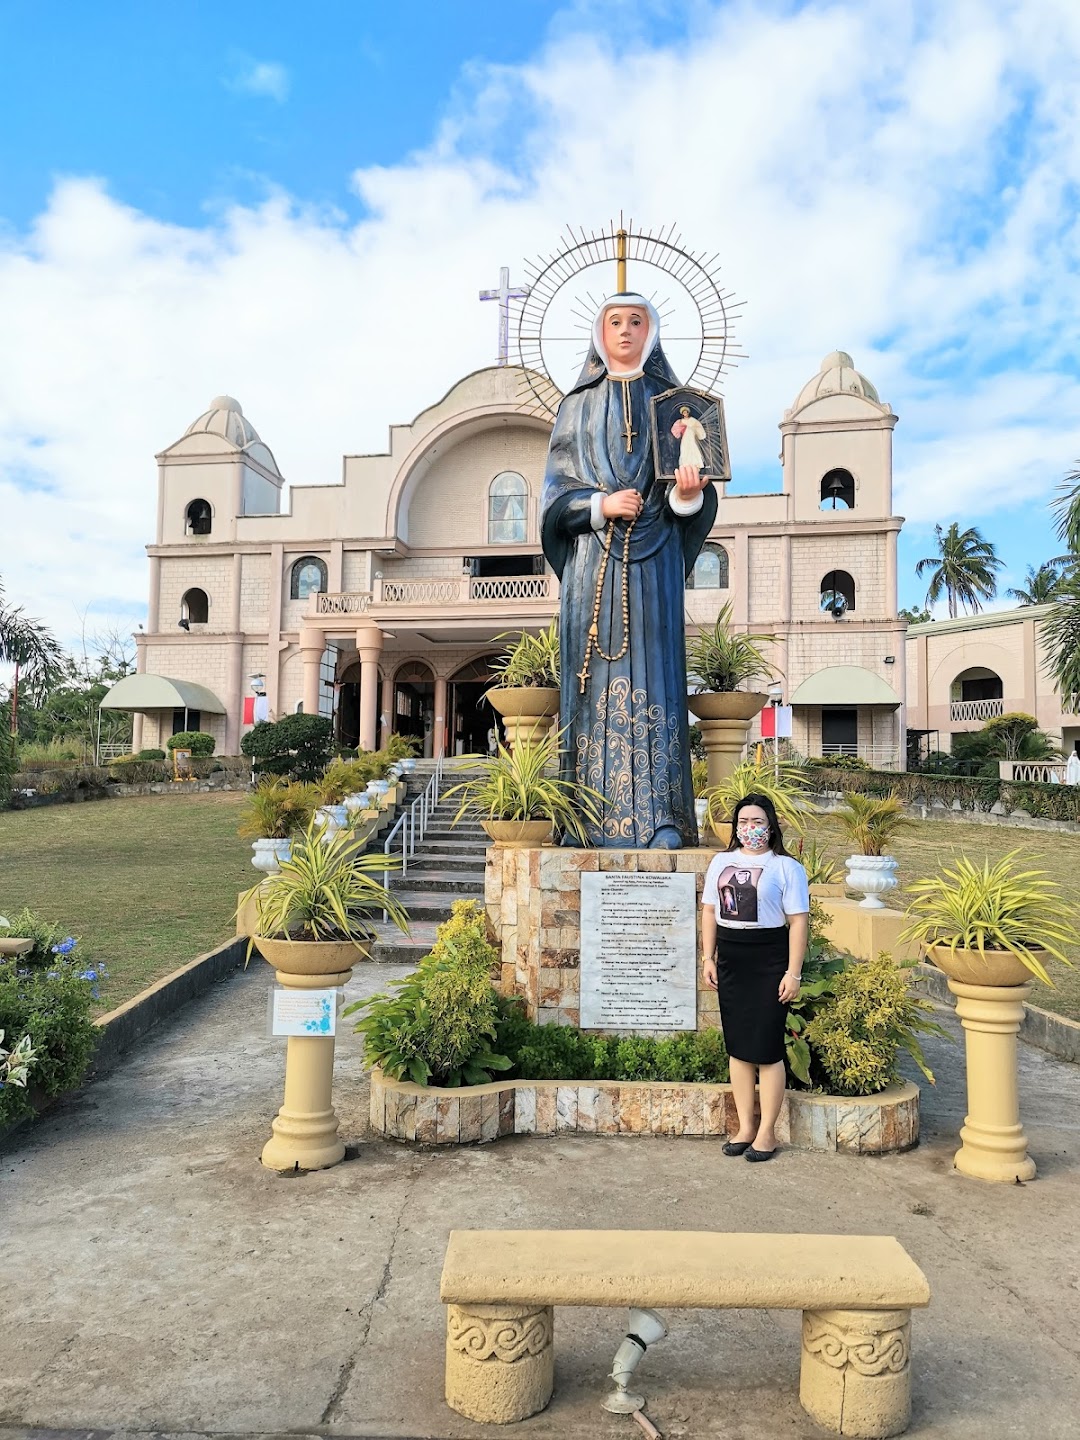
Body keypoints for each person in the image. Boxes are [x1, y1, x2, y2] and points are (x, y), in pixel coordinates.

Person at [540, 294, 718, 847]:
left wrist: (688, 496)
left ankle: (661, 821)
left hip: (655, 567)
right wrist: (598, 506)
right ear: (598, 333)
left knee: (658, 683)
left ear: (652, 331)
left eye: (635, 321)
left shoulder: (676, 406)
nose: (624, 331)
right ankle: (588, 822)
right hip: (593, 570)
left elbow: (691, 499)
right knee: (593, 693)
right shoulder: (576, 407)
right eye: (614, 321)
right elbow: (555, 497)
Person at [700, 793, 810, 1161]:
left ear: (771, 825)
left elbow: (798, 923)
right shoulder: (721, 861)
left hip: (769, 958)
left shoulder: (786, 868)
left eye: (757, 822)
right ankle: (746, 1126)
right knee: (739, 1048)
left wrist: (792, 973)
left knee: (766, 1049)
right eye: (743, 822)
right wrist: (708, 957)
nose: (750, 828)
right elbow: (710, 911)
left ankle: (767, 1133)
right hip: (731, 957)